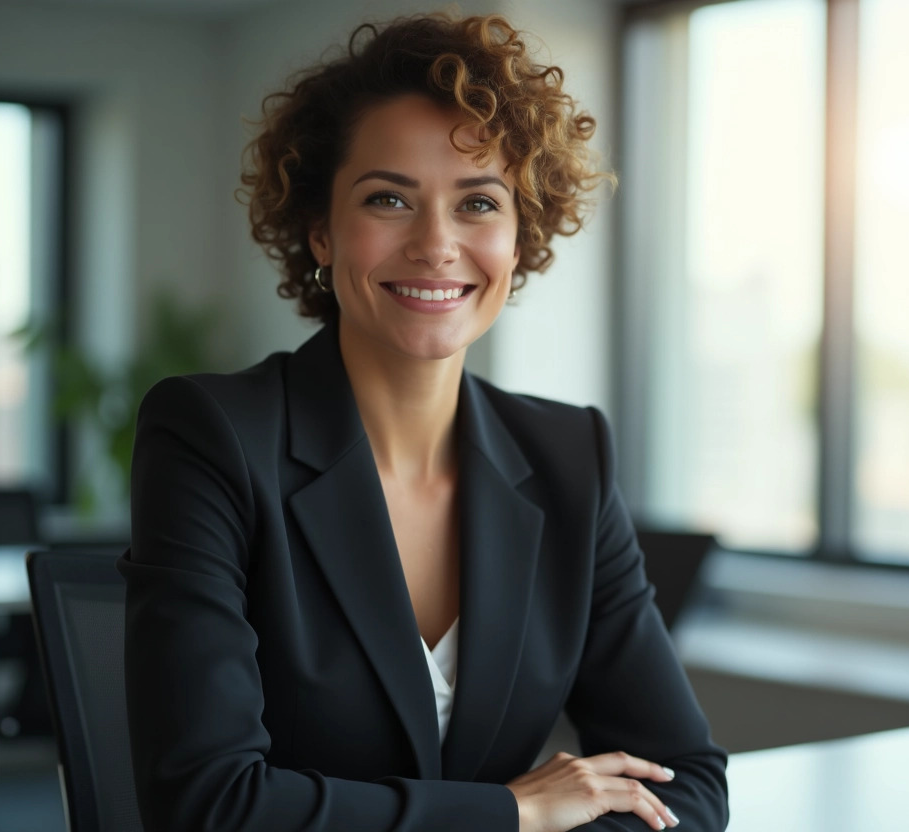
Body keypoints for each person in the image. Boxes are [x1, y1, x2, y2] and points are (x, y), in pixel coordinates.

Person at [119, 12, 729, 832]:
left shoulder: (569, 457)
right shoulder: (212, 437)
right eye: (388, 199)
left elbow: (682, 780)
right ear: (320, 233)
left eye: (478, 202)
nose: (437, 244)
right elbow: (210, 806)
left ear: (520, 240)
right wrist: (511, 814)